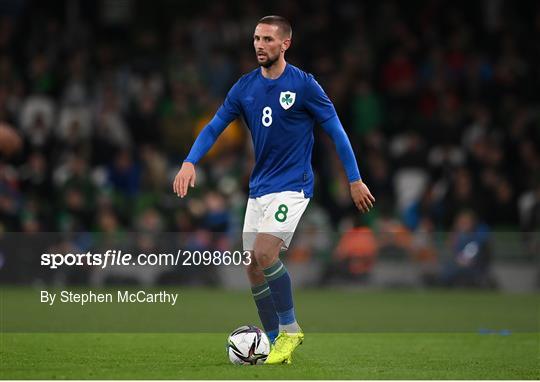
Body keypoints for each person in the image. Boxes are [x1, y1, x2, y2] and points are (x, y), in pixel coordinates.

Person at [173, 15, 375, 365]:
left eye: (267, 39)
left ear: (285, 44)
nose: (259, 45)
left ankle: (291, 330)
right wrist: (190, 161)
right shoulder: (244, 87)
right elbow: (214, 126)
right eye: (256, 38)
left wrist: (354, 179)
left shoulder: (305, 86)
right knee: (251, 266)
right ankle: (271, 342)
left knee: (266, 254)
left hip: (293, 186)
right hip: (259, 187)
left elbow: (337, 132)